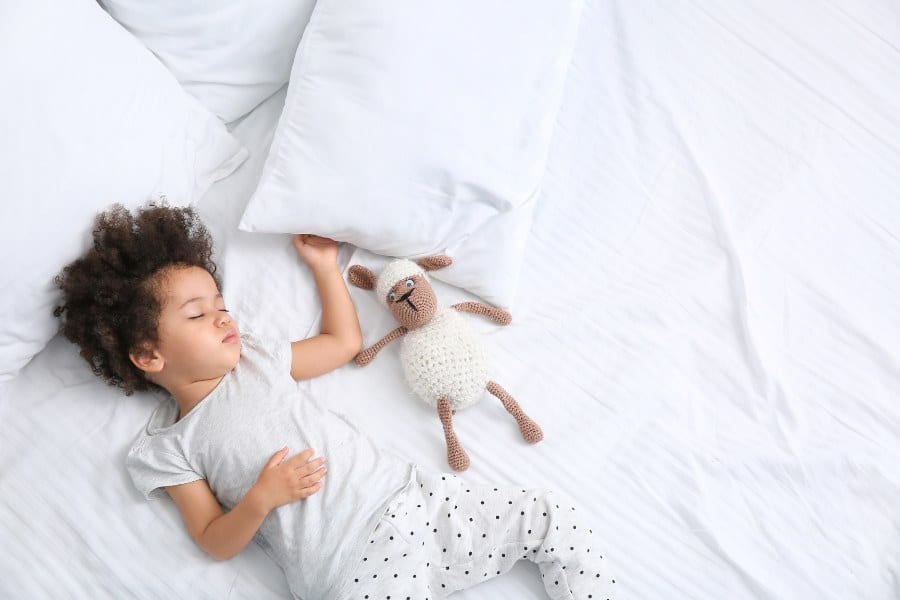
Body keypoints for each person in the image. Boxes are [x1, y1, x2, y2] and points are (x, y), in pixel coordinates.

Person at [54, 203, 616, 600]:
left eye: (220, 302)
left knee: (549, 515)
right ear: (149, 356)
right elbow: (212, 541)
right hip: (351, 564)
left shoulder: (258, 357)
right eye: (198, 314)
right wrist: (260, 499)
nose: (223, 316)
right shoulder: (169, 446)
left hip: (414, 499)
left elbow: (343, 344)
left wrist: (325, 268)